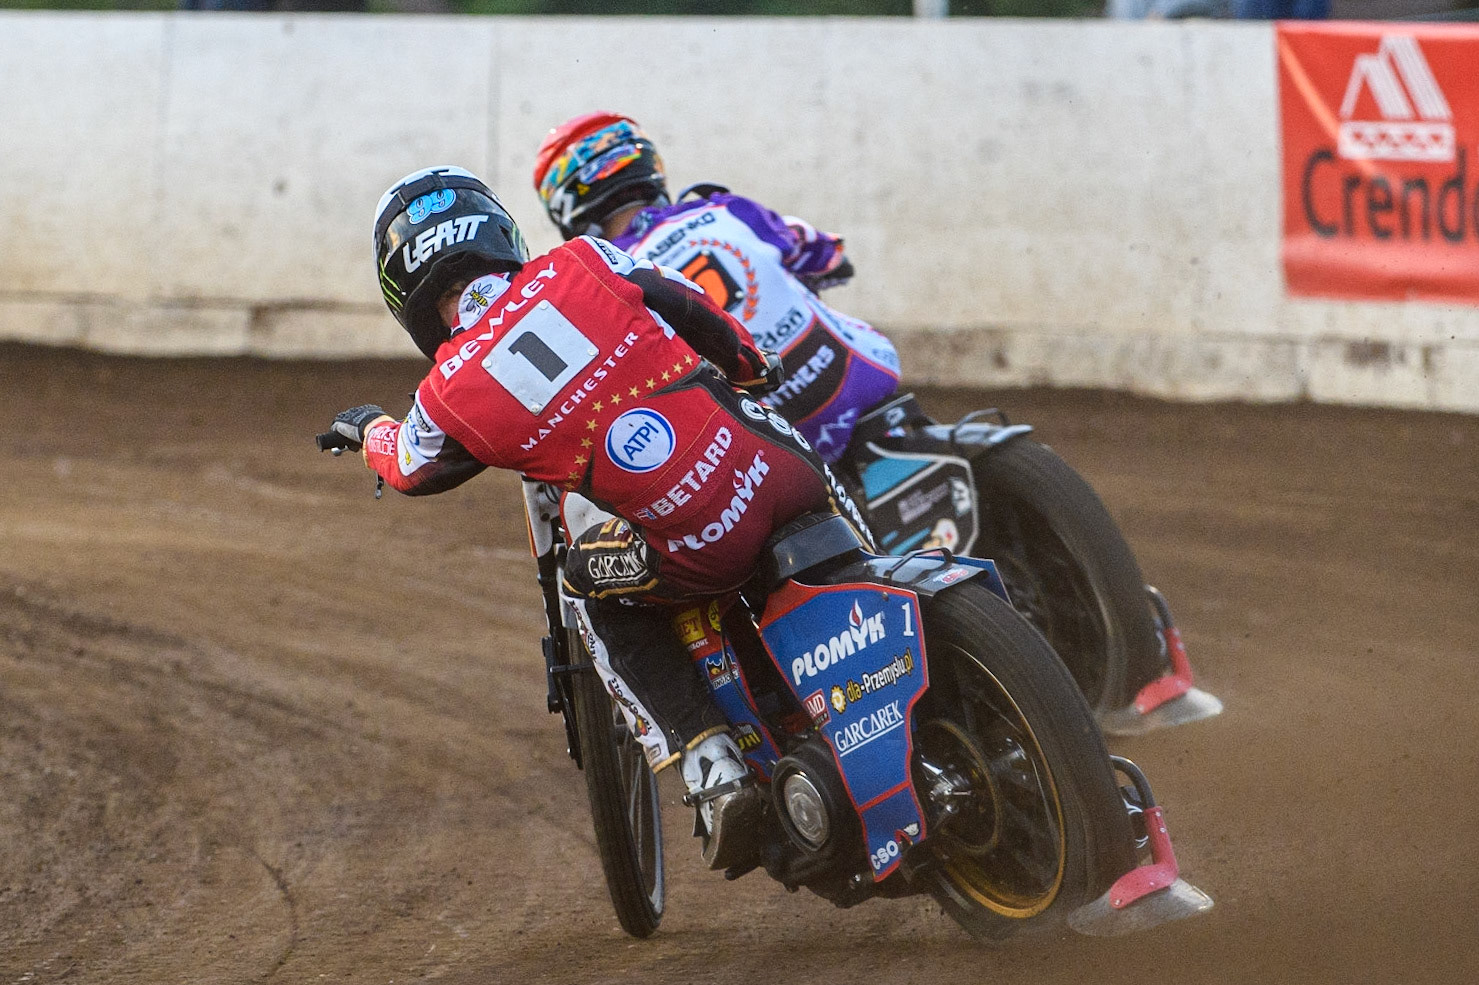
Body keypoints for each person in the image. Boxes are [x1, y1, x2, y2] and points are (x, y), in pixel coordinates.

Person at [327, 165, 866, 871]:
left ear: (407, 294)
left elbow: (409, 468)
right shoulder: (584, 257)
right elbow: (693, 309)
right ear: (499, 234)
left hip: (697, 544)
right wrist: (747, 366)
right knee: (826, 497)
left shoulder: (444, 394)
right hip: (784, 467)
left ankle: (711, 766)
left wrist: (367, 426)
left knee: (587, 589)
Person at [532, 112, 901, 464]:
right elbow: (829, 257)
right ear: (648, 165)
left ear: (565, 207)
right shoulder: (726, 208)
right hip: (863, 373)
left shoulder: (606, 280)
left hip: (774, 437)